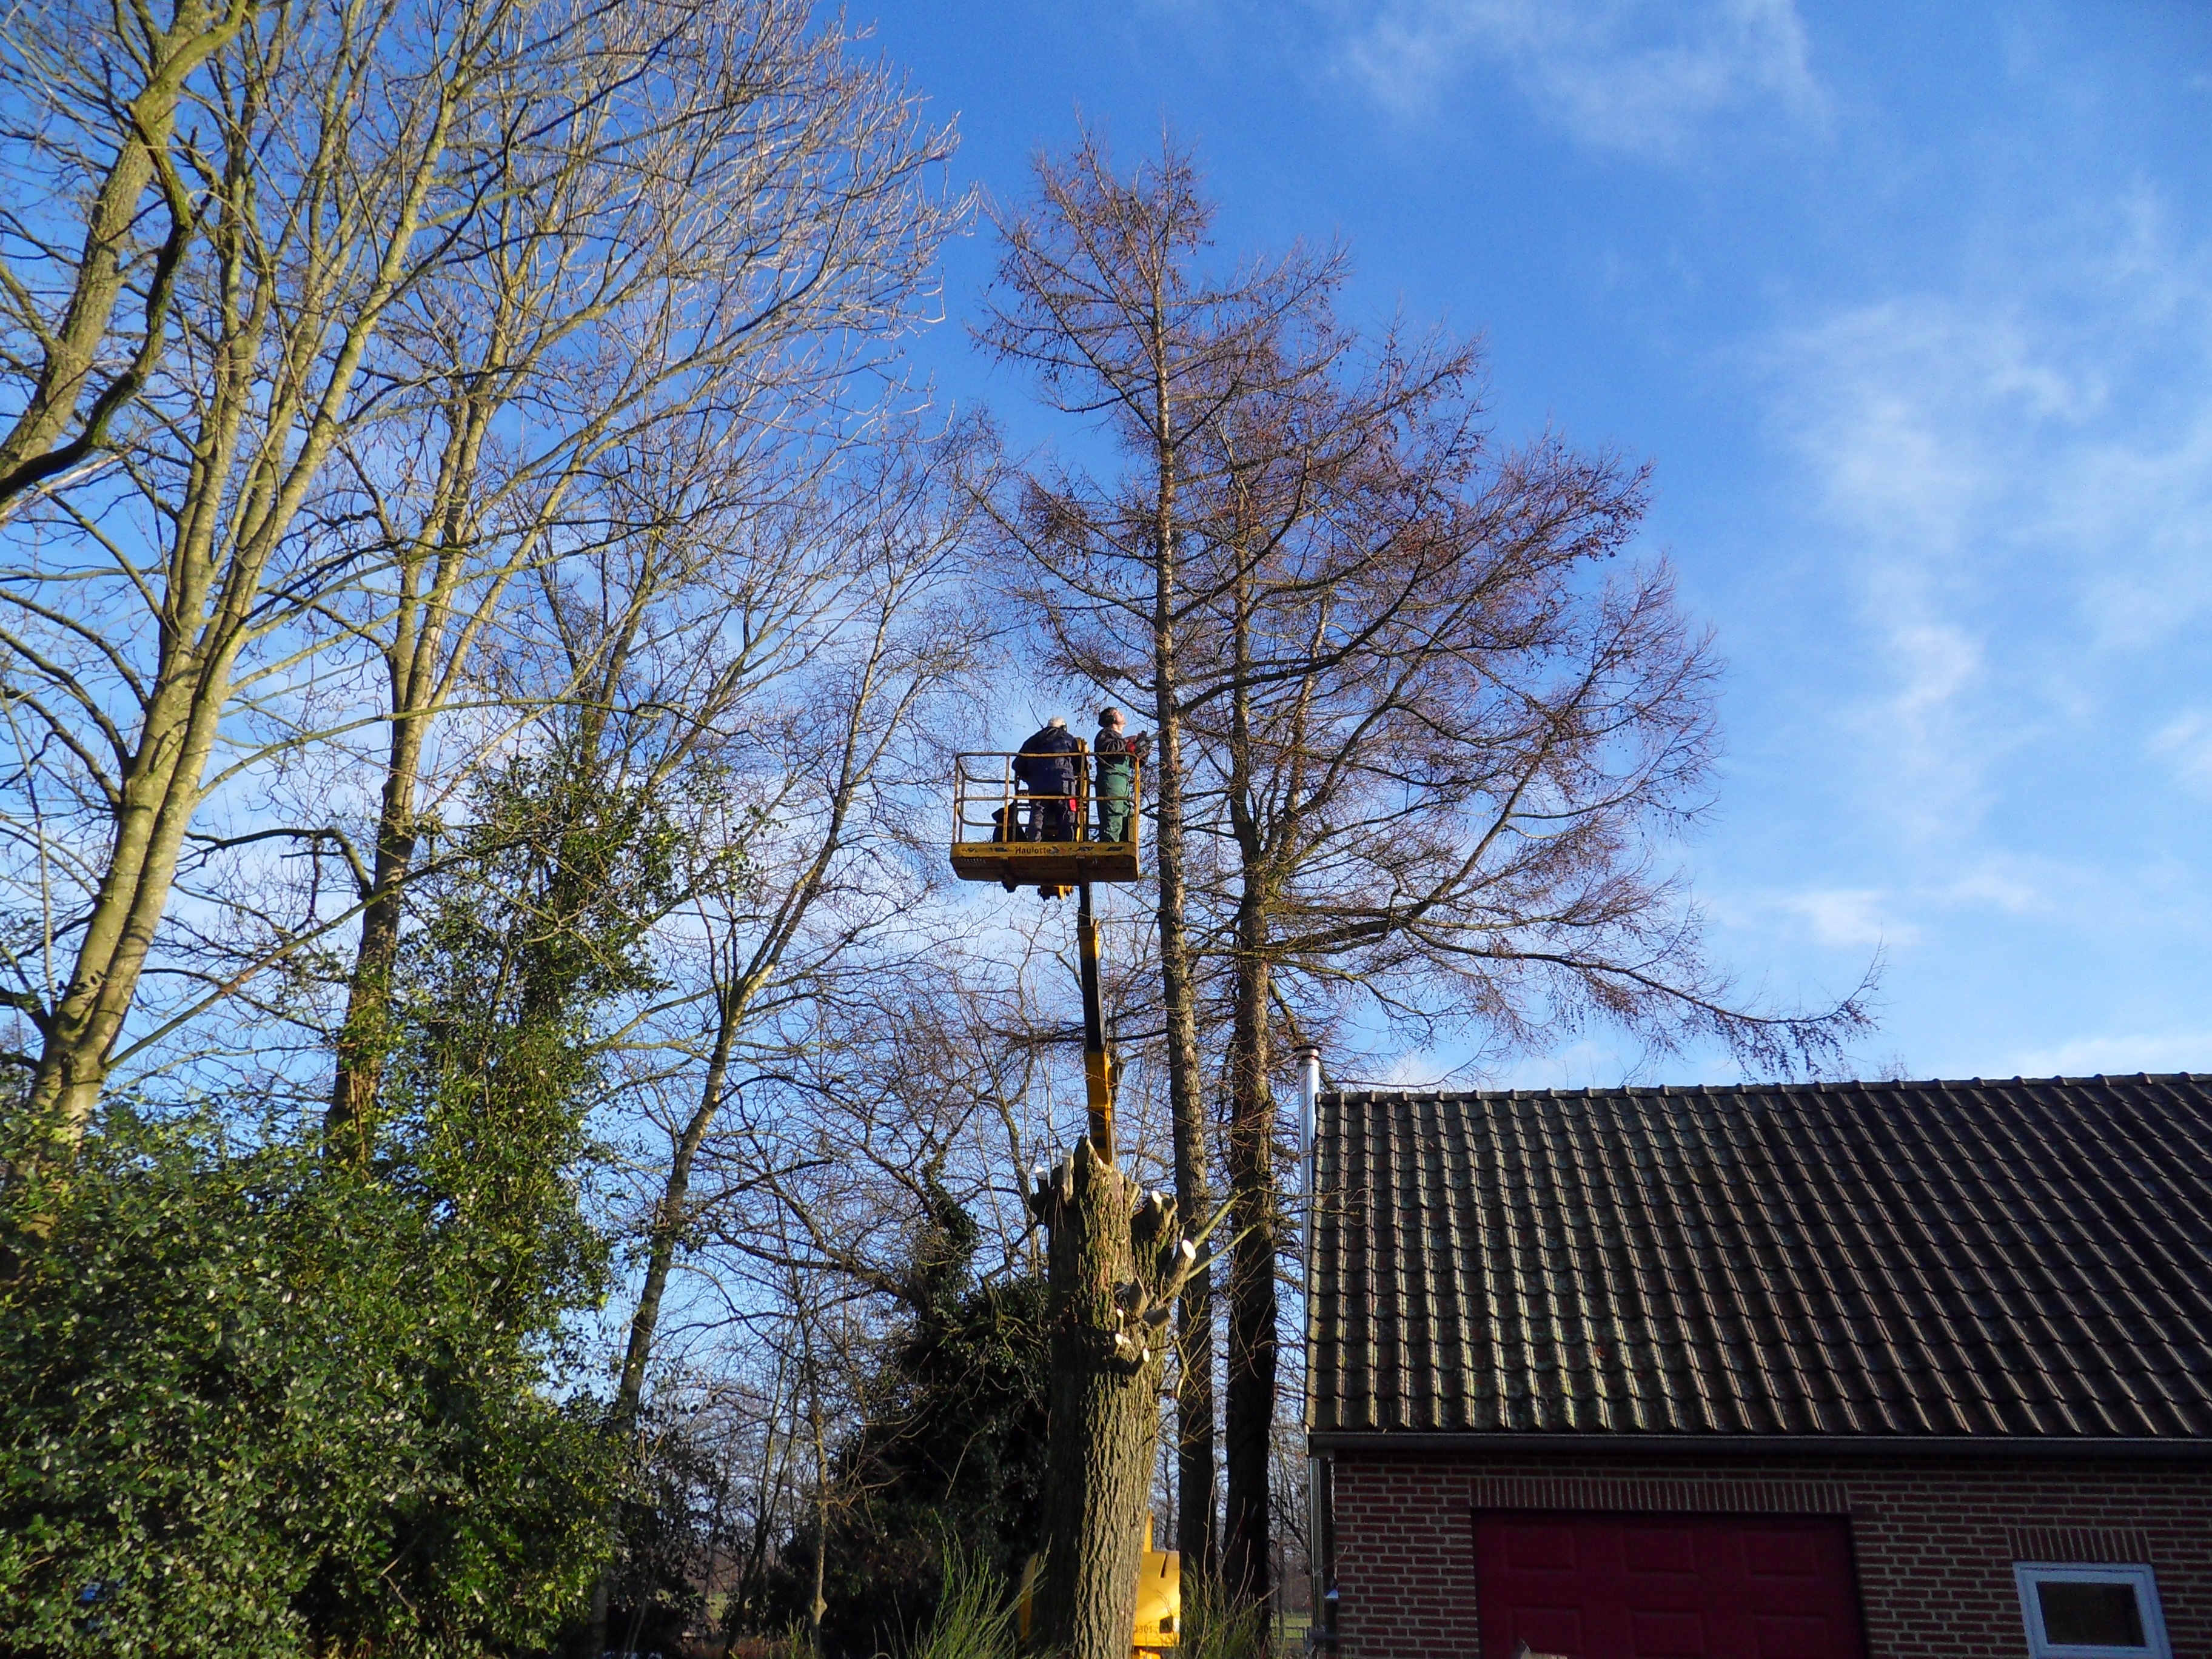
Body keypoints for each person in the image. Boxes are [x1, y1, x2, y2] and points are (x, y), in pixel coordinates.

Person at [1013, 717, 1082, 842]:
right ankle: (1068, 845)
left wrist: (1031, 779)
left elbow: (1017, 765)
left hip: (1038, 789)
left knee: (1037, 816)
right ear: (1063, 727)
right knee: (1067, 816)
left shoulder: (1032, 741)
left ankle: (1033, 844)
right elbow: (1079, 764)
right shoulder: (1068, 739)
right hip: (1064, 786)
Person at [1093, 706, 1147, 845]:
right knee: (1113, 815)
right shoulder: (1105, 734)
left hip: (1123, 783)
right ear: (1111, 719)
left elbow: (1136, 763)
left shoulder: (1119, 741)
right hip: (1111, 780)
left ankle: (1124, 846)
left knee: (1126, 815)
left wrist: (1143, 748)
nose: (1122, 714)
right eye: (1118, 713)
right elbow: (1107, 750)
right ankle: (1110, 849)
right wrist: (1127, 741)